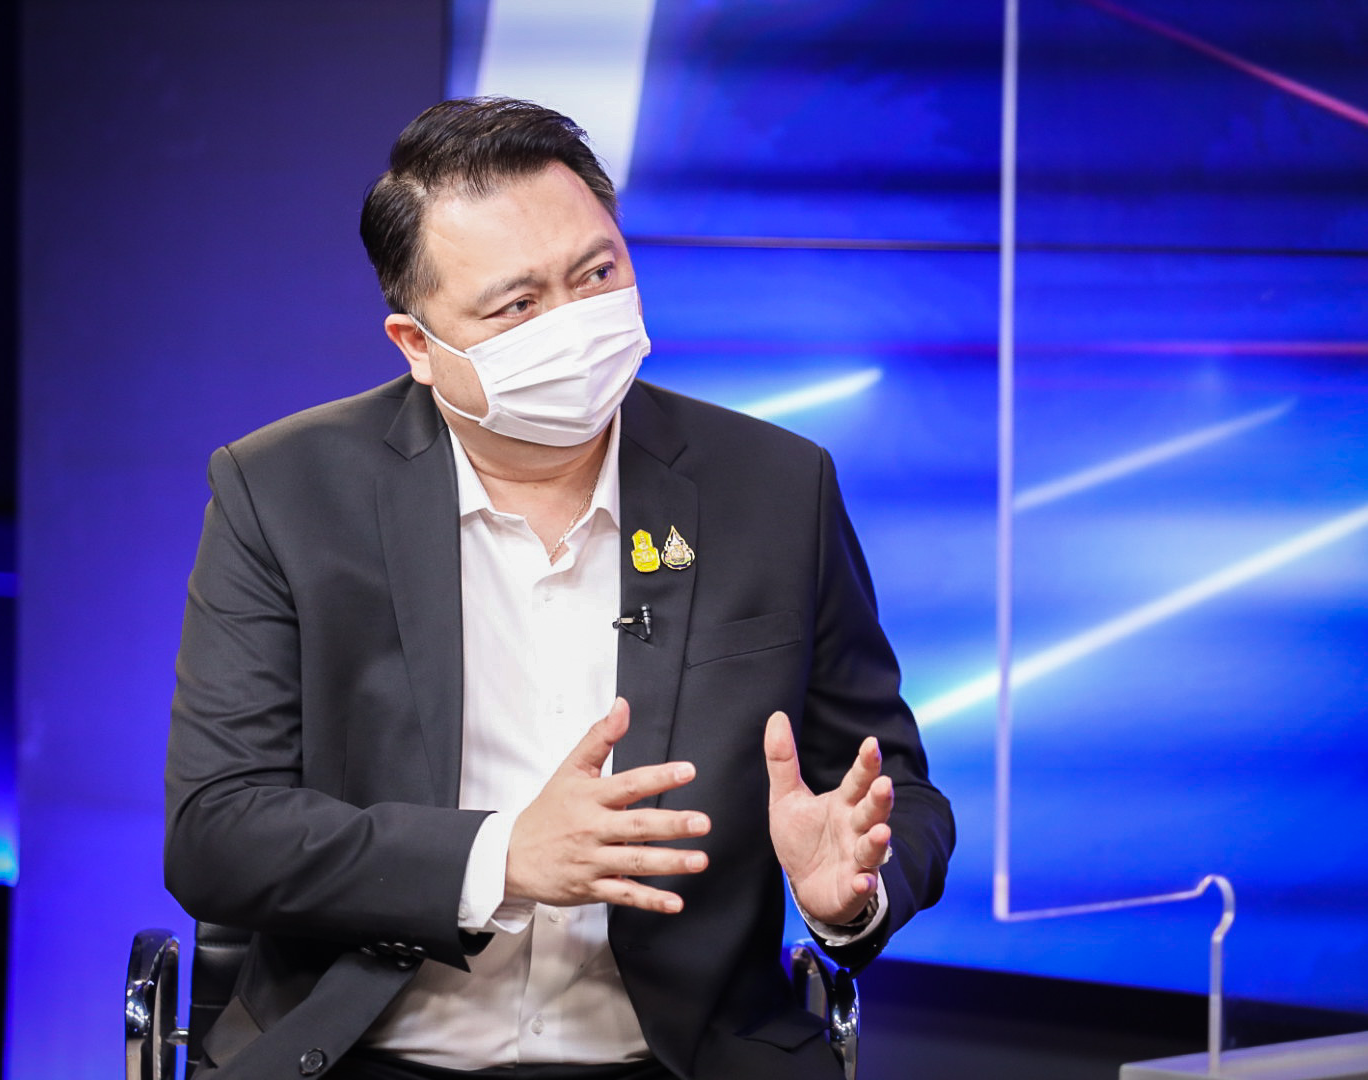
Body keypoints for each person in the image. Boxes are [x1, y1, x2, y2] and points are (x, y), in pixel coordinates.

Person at [165, 97, 953, 1080]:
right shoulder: (284, 492)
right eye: (518, 306)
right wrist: (500, 860)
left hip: (679, 1060)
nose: (575, 324)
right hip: (367, 1053)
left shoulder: (775, 489)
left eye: (597, 274)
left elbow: (897, 791)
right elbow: (216, 833)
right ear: (418, 345)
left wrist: (852, 893)